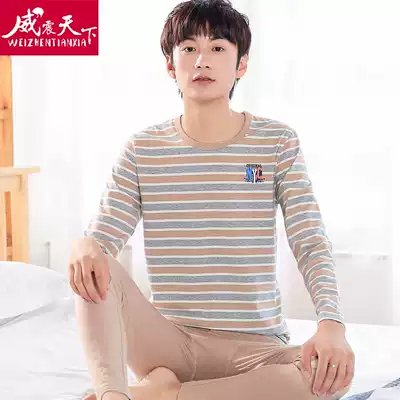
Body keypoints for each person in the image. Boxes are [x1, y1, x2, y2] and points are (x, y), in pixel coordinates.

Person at [69, 1, 355, 399]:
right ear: (171, 66)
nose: (202, 60)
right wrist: (84, 246)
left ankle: (160, 394)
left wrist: (331, 324)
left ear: (241, 65)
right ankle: (113, 394)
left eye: (217, 47)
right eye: (188, 48)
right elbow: (101, 245)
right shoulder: (142, 149)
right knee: (91, 264)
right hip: (168, 343)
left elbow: (309, 241)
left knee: (328, 381)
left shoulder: (277, 142)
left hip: (258, 348)